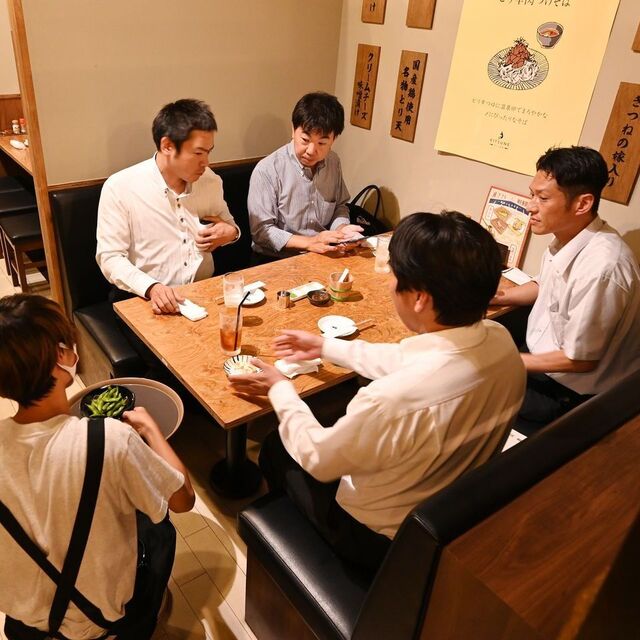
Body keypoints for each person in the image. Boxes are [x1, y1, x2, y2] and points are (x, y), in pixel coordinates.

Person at [229, 212, 526, 574]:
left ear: (420, 298)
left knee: (277, 448)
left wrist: (280, 389)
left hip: (377, 537)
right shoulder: (500, 341)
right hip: (450, 502)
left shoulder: (392, 400)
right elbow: (405, 359)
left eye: (395, 276)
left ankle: (294, 555)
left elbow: (319, 458)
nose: (389, 285)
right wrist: (325, 347)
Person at [0, 294, 195, 639]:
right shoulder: (110, 439)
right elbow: (183, 499)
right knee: (158, 525)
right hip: (101, 623)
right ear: (60, 358)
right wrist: (150, 429)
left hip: (27, 626)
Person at [492, 146, 640, 433]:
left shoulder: (602, 268)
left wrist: (505, 362)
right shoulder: (569, 237)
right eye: (532, 194)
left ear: (582, 204)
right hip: (543, 360)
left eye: (543, 198)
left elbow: (580, 360)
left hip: (569, 391)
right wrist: (499, 297)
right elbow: (544, 284)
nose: (530, 206)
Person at [97, 98, 240, 315]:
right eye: (198, 153)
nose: (206, 162)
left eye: (209, 152)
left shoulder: (210, 181)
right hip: (142, 299)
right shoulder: (121, 187)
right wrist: (151, 288)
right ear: (167, 146)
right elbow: (110, 258)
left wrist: (230, 233)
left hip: (203, 293)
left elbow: (229, 225)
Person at [248, 91, 363, 261]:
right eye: (305, 140)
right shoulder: (267, 170)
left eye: (322, 143)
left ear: (334, 139)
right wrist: (310, 243)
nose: (311, 150)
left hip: (321, 255)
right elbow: (261, 232)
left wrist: (341, 230)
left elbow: (340, 206)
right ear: (293, 130)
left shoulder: (333, 162)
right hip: (275, 260)